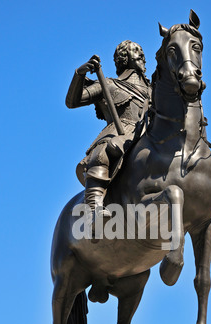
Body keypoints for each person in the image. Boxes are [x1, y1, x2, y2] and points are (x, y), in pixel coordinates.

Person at [66, 40, 152, 221]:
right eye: (136, 51)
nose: (141, 55)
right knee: (103, 153)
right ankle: (94, 209)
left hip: (148, 132)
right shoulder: (111, 84)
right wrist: (79, 74)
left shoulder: (154, 90)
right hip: (118, 132)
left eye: (142, 51)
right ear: (124, 58)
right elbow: (73, 101)